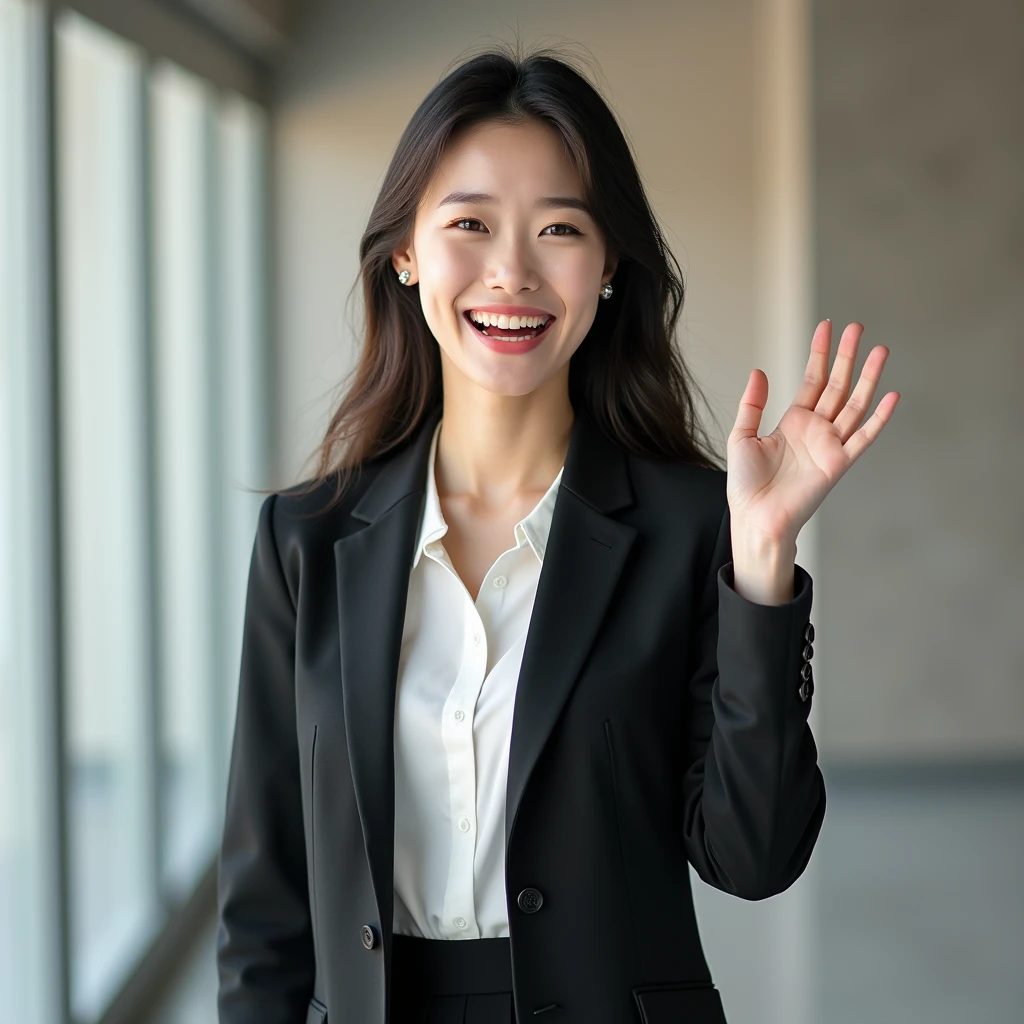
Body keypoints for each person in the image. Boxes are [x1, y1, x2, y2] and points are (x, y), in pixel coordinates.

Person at [215, 43, 899, 1024]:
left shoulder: (693, 526)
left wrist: (760, 564)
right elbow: (263, 899)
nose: (511, 272)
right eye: (470, 224)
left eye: (559, 229)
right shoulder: (305, 540)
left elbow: (753, 858)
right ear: (406, 252)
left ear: (608, 265)